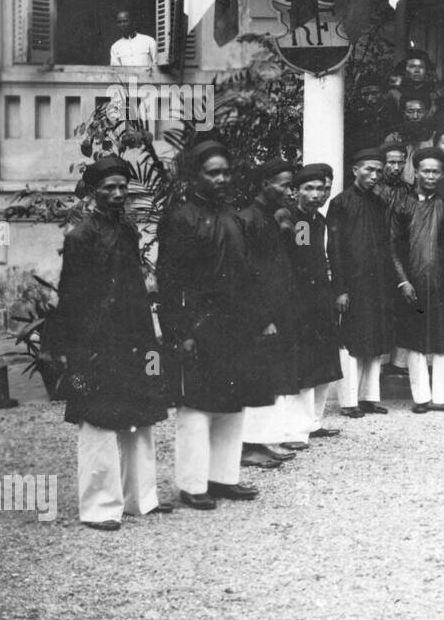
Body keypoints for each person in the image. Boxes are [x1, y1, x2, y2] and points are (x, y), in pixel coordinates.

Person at [57, 156, 170, 530]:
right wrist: (79, 347)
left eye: (123, 187)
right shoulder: (80, 238)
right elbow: (71, 296)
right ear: (93, 193)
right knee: (99, 423)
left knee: (139, 418)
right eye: (109, 188)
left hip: (132, 337)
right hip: (96, 341)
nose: (118, 194)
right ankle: (100, 506)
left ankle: (141, 498)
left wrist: (147, 335)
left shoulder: (126, 230)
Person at [156, 141, 260, 509]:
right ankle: (193, 483)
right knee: (196, 408)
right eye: (212, 172)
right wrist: (179, 332)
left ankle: (223, 478)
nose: (221, 179)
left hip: (234, 324)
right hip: (197, 324)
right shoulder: (180, 217)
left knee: (231, 406)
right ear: (194, 175)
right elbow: (167, 282)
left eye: (225, 172)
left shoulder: (233, 216)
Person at [388, 147, 444, 413]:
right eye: (426, 171)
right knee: (416, 341)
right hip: (413, 283)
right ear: (416, 172)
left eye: (436, 171)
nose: (431, 176)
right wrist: (403, 281)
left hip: (443, 283)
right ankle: (422, 398)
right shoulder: (402, 204)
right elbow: (392, 247)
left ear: (443, 173)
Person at [236, 160, 305, 469]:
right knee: (257, 376)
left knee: (273, 376)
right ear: (264, 183)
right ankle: (247, 445)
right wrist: (262, 317)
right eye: (283, 185)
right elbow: (246, 274)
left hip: (280, 305)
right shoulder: (247, 220)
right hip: (258, 312)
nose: (289, 191)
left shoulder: (276, 218)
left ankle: (263, 440)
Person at [327, 149, 396, 419]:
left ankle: (369, 397)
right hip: (353, 284)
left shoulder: (379, 203)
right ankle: (348, 401)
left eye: (379, 171)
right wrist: (340, 288)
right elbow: (335, 247)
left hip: (377, 283)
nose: (375, 175)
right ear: (355, 170)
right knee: (353, 342)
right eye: (369, 169)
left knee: (375, 340)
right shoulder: (341, 203)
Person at [288, 164, 343, 441]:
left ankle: (314, 422)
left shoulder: (318, 220)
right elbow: (302, 259)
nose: (316, 194)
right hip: (302, 300)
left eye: (321, 189)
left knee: (324, 364)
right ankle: (297, 428)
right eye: (309, 188)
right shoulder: (298, 221)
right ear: (295, 191)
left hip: (321, 298)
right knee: (306, 366)